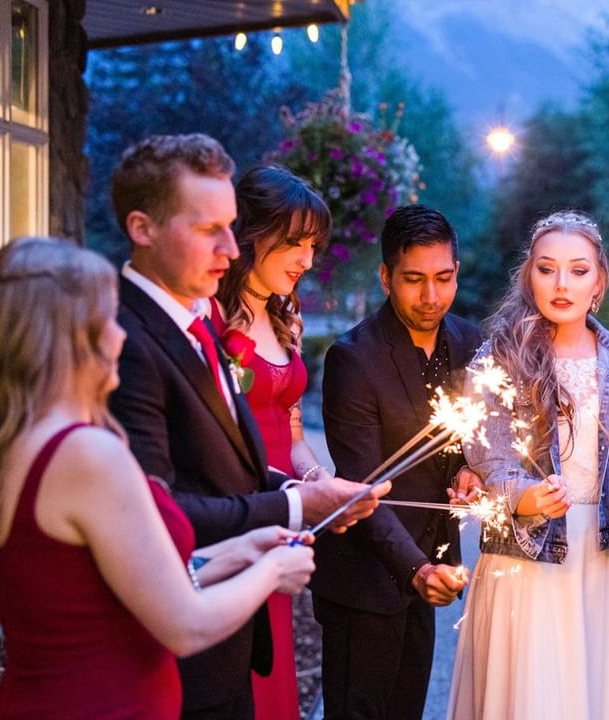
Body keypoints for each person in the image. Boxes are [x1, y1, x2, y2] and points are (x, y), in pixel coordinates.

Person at [106, 133, 387, 719]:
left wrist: (302, 487)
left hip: (250, 551)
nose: (230, 250)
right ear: (142, 228)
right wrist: (292, 506)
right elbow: (159, 512)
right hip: (198, 587)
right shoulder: (130, 339)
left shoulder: (206, 318)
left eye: (232, 229)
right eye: (210, 230)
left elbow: (254, 444)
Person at [0, 237, 316, 719]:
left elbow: (107, 588)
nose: (120, 337)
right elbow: (184, 624)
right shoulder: (85, 453)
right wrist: (273, 570)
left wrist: (234, 554)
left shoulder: (21, 439)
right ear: (69, 339)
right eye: (106, 322)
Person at [448, 211, 609, 720]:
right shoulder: (496, 361)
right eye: (547, 269)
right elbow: (491, 458)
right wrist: (526, 496)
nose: (562, 283)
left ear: (600, 280)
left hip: (603, 561)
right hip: (525, 560)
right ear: (529, 275)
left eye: (578, 270)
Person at [311, 205, 483, 719]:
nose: (431, 297)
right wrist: (416, 570)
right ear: (386, 277)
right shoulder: (353, 359)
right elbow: (364, 486)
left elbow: (475, 442)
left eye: (444, 278)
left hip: (430, 568)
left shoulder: (472, 344)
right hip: (366, 580)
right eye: (414, 280)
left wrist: (471, 472)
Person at [210, 165, 337, 720]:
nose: (307, 259)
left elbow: (290, 433)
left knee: (273, 663)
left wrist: (317, 480)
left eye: (313, 245)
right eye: (294, 243)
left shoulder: (287, 314)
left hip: (283, 514)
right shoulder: (213, 315)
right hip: (234, 508)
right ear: (250, 236)